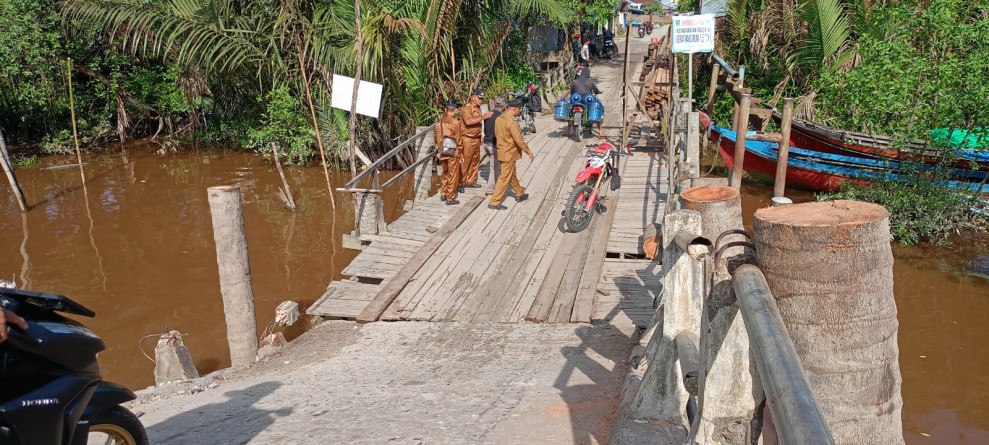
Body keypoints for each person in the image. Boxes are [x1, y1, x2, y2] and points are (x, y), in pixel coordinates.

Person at [489, 99, 535, 210]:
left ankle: (519, 193)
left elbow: (496, 134)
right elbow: (518, 139)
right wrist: (528, 151)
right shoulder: (512, 122)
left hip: (501, 150)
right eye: (519, 110)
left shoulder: (499, 118)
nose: (519, 112)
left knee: (511, 174)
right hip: (509, 152)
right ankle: (494, 201)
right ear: (514, 109)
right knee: (504, 177)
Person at [459, 88, 493, 189]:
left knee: (475, 161)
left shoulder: (478, 108)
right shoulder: (466, 108)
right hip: (467, 138)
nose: (481, 100)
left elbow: (478, 124)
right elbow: (468, 122)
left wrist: (480, 136)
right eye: (479, 98)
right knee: (465, 161)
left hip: (476, 138)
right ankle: (460, 183)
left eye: (482, 99)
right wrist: (483, 117)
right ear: (473, 97)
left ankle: (471, 181)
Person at [435, 99, 462, 205]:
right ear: (455, 110)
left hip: (442, 150)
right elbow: (459, 139)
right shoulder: (456, 123)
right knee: (453, 175)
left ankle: (443, 192)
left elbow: (437, 138)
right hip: (452, 151)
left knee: (445, 173)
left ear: (446, 110)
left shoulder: (439, 122)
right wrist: (460, 153)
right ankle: (450, 198)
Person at [563, 67, 605, 138]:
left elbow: (572, 92)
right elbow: (596, 90)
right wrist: (598, 92)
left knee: (570, 114)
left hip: (576, 100)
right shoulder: (590, 81)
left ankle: (567, 130)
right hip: (587, 100)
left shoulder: (575, 81)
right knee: (598, 109)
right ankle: (600, 131)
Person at [482, 97, 507, 196]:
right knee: (494, 168)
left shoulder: (488, 114)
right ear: (503, 106)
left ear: (494, 105)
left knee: (475, 163)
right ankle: (490, 189)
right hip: (493, 145)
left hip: (485, 143)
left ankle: (463, 181)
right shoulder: (502, 117)